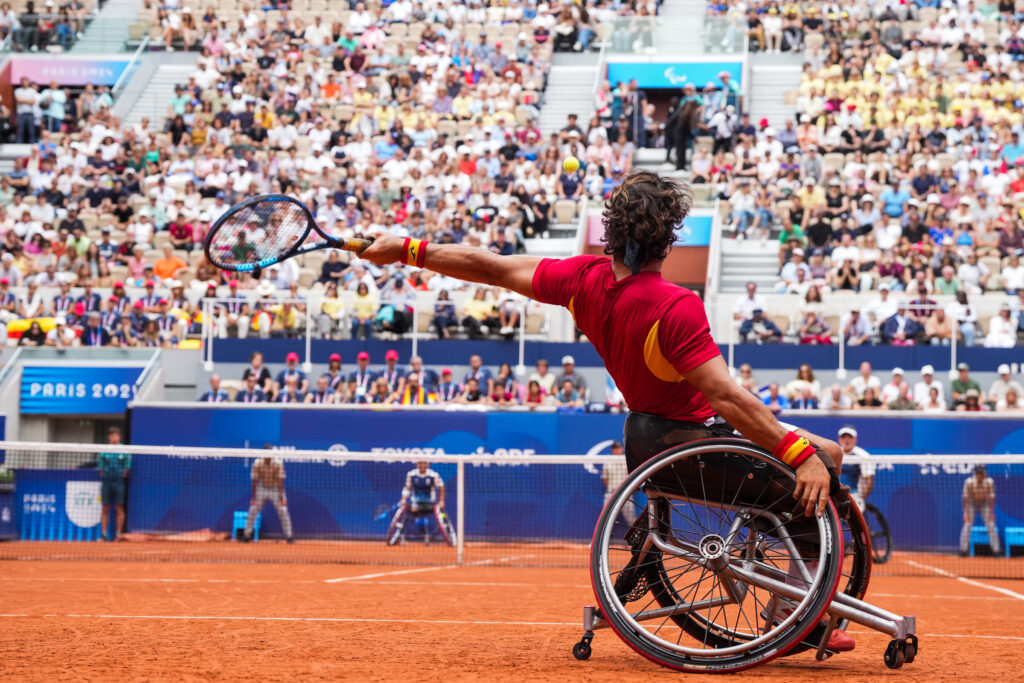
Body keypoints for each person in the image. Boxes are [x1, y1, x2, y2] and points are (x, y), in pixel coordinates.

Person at [359, 170, 850, 650]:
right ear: (667, 241)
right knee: (820, 462)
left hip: (650, 436)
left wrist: (406, 250)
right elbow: (726, 397)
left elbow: (491, 266)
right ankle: (791, 608)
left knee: (827, 450)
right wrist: (797, 452)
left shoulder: (581, 280)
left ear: (609, 233)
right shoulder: (675, 305)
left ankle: (788, 565)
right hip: (692, 438)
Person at [242, 445, 294, 544]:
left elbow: (280, 481)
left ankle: (289, 536)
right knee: (253, 510)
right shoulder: (257, 463)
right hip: (262, 488)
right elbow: (254, 481)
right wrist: (254, 498)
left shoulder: (278, 463)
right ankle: (246, 535)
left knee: (283, 511)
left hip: (275, 488)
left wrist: (282, 497)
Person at [397, 460, 445, 544]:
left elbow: (441, 487)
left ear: (428, 464)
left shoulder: (433, 475)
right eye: (420, 463)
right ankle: (401, 536)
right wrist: (403, 498)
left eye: (424, 463)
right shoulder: (411, 474)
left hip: (429, 503)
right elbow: (407, 488)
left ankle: (430, 536)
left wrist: (441, 501)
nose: (422, 465)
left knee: (436, 512)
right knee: (407, 512)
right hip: (415, 503)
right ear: (417, 464)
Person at [97, 427, 130, 542]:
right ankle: (104, 535)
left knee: (119, 507)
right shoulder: (103, 450)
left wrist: (119, 476)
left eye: (116, 435)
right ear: (109, 436)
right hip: (106, 481)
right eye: (112, 435)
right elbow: (100, 468)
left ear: (119, 437)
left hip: (119, 481)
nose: (114, 437)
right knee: (105, 507)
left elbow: (127, 468)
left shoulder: (124, 450)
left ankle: (118, 534)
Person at [960, 465, 999, 557]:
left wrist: (991, 513)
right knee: (967, 525)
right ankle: (963, 550)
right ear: (975, 474)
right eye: (978, 473)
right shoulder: (969, 482)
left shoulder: (989, 482)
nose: (980, 475)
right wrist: (966, 513)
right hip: (971, 503)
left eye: (981, 473)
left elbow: (991, 498)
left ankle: (996, 551)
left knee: (991, 525)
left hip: (984, 503)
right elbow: (965, 498)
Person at [837, 426, 873, 512]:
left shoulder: (863, 456)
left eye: (849, 437)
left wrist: (860, 499)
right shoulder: (836, 453)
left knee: (854, 524)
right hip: (837, 496)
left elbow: (869, 481)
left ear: (855, 439)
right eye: (844, 437)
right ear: (839, 439)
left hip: (855, 497)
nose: (846, 440)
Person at [601, 441, 635, 527]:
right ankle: (601, 539)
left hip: (626, 493)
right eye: (614, 448)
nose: (616, 450)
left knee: (631, 518)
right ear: (612, 450)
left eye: (618, 448)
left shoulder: (627, 460)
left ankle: (638, 539)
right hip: (611, 493)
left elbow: (632, 477)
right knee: (605, 518)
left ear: (622, 449)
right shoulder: (608, 461)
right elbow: (605, 479)